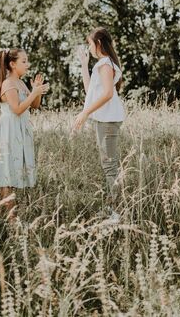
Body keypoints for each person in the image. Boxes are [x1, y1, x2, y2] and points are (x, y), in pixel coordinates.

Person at [0, 48, 49, 223]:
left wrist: (36, 90)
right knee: (7, 173)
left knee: (14, 172)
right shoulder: (8, 84)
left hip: (20, 131)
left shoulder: (22, 83)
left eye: (27, 60)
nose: (27, 64)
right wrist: (33, 93)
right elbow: (16, 109)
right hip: (9, 131)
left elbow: (34, 106)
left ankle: (8, 217)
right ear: (12, 64)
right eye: (24, 61)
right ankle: (11, 221)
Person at [74, 27, 125, 223]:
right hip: (104, 119)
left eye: (90, 43)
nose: (89, 47)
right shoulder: (101, 65)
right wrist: (84, 65)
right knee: (108, 164)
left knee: (110, 165)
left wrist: (85, 112)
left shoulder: (105, 64)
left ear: (99, 44)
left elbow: (107, 94)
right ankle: (112, 206)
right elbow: (90, 92)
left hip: (108, 119)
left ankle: (117, 211)